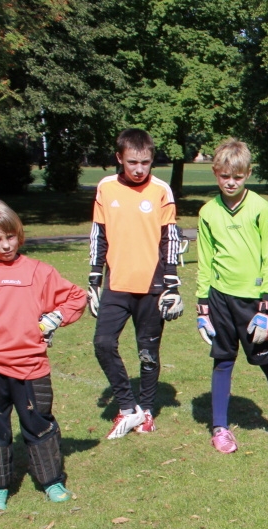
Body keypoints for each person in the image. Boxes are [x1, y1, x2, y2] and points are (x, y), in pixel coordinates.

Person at [195, 139, 268, 453]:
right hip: (219, 300)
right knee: (222, 361)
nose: (231, 182)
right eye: (225, 175)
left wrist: (267, 306)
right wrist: (202, 306)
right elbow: (205, 260)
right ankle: (219, 428)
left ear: (248, 174)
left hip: (254, 302)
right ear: (216, 173)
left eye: (238, 176)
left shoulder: (260, 208)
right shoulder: (207, 212)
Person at [0, 200, 87, 514]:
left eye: (10, 236)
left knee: (39, 424)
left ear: (19, 234)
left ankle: (51, 480)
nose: (5, 245)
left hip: (31, 367)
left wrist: (55, 318)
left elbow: (76, 296)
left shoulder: (37, 272)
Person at [88, 128, 184, 439]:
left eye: (145, 162)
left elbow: (171, 236)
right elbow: (98, 235)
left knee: (147, 354)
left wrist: (171, 283)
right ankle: (128, 409)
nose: (139, 169)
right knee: (103, 344)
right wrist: (94, 278)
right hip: (117, 285)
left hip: (152, 287)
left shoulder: (160, 190)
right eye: (132, 162)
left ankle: (146, 412)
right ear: (119, 158)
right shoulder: (106, 188)